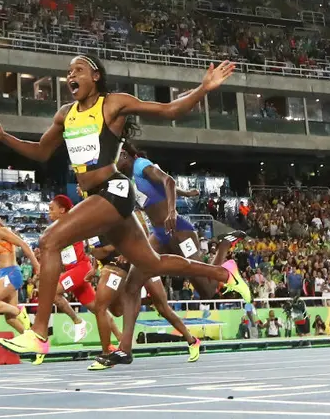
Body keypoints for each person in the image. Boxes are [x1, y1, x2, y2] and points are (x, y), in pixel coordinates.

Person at [0, 54, 251, 357]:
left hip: (113, 191)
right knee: (152, 264)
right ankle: (224, 273)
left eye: (78, 70)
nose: (71, 75)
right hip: (97, 197)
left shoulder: (112, 104)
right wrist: (2, 136)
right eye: (69, 72)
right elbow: (41, 151)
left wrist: (204, 88)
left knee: (49, 241)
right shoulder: (65, 115)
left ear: (95, 76)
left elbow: (170, 109)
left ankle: (39, 333)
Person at [105, 136, 246, 366]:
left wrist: (172, 211)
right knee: (131, 286)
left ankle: (223, 248)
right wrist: (186, 194)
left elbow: (167, 181)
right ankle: (125, 349)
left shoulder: (141, 165)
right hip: (159, 235)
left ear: (124, 155)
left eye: (115, 158)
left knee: (207, 291)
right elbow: (163, 187)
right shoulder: (129, 179)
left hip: (179, 230)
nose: (113, 163)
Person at [86, 209, 203, 370]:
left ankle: (192, 341)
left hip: (142, 264)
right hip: (121, 267)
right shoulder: (95, 223)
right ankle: (141, 305)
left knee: (163, 307)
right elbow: (97, 250)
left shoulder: (125, 211)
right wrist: (94, 265)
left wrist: (128, 251)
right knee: (117, 310)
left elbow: (146, 235)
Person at [47, 194, 122, 349]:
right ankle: (122, 340)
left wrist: (94, 266)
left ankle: (78, 321)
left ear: (62, 210)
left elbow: (93, 243)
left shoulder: (74, 223)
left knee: (52, 292)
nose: (49, 212)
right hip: (73, 271)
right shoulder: (56, 228)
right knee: (98, 309)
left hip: (80, 269)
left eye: (51, 209)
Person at [0, 206, 41, 361]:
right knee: (10, 319)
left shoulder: (1, 231)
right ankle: (36, 344)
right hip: (6, 274)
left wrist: (36, 266)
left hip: (12, 274)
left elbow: (24, 245)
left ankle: (19, 311)